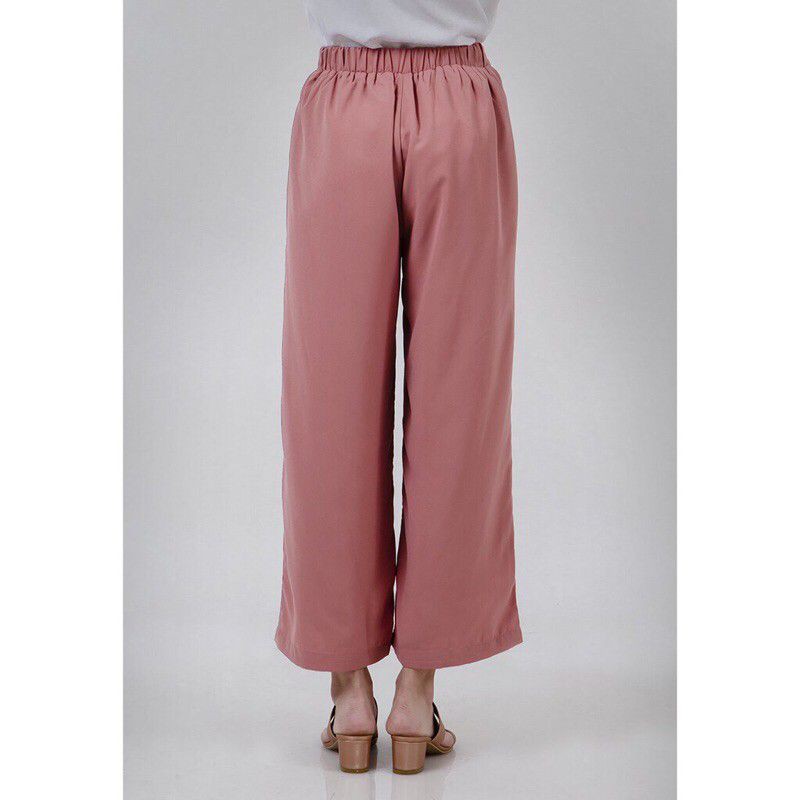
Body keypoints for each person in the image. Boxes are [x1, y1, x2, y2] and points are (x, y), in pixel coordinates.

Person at [276, 0, 522, 774]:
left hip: (342, 109)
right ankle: (416, 697)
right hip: (460, 103)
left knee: (329, 406)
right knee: (460, 400)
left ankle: (351, 694)